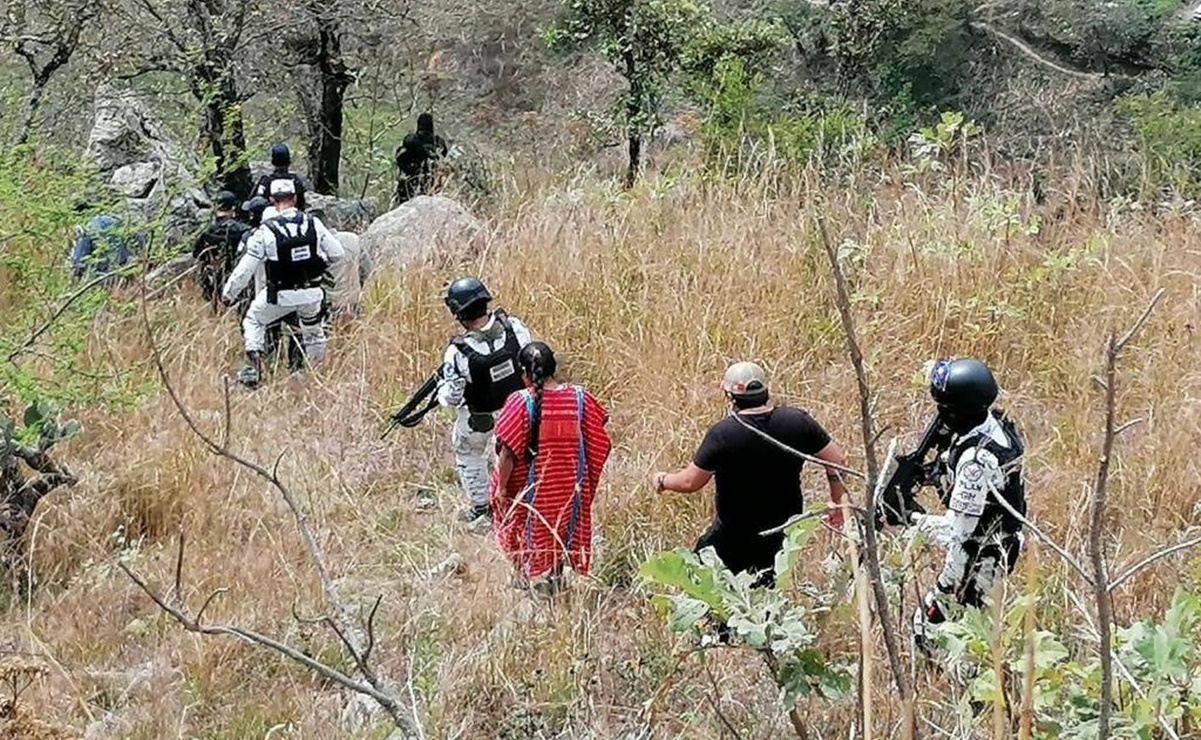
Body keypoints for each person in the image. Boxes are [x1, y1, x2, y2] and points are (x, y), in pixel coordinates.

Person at [653, 362, 849, 588]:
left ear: (730, 396)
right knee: (767, 593)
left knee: (704, 584)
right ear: (766, 391)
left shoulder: (723, 434)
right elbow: (838, 460)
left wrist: (662, 480)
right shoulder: (797, 422)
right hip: (783, 532)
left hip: (734, 535)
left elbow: (690, 482)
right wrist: (837, 501)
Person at [898, 358, 1027, 658]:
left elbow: (959, 534)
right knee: (973, 635)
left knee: (937, 634)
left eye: (945, 407)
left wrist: (910, 519)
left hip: (978, 561)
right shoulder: (995, 426)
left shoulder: (976, 461)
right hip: (996, 549)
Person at [491, 342, 612, 592]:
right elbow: (599, 440)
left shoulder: (519, 402)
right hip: (568, 486)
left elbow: (508, 454)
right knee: (562, 525)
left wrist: (501, 488)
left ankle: (521, 576)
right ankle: (555, 576)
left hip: (531, 488)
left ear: (523, 373)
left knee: (521, 526)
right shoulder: (580, 398)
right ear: (554, 368)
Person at [221, 179, 343, 387]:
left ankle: (254, 367)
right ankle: (318, 376)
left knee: (254, 321)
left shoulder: (265, 231)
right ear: (295, 198)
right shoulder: (313, 223)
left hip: (280, 294)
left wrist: (228, 294)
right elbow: (337, 254)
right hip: (312, 293)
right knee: (313, 331)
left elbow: (245, 270)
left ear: (271, 200)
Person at [437, 277, 533, 524]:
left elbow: (451, 398)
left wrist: (441, 390)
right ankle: (525, 498)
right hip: (519, 409)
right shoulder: (514, 328)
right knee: (525, 453)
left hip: (481, 416)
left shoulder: (457, 352)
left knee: (468, 453)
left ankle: (481, 508)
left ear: (458, 314)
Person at [193, 191, 250, 303]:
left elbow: (197, 254)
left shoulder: (207, 232)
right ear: (233, 208)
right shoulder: (243, 230)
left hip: (212, 283)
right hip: (235, 282)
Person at [394, 113, 448, 206]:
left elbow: (399, 158)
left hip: (409, 185)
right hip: (430, 185)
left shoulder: (411, 140)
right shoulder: (438, 143)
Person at [70, 209, 138, 280]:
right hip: (125, 274)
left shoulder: (91, 226)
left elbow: (79, 261)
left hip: (100, 277)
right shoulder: (126, 225)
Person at [252, 143, 307, 211]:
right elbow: (301, 204)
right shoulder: (296, 181)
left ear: (273, 162)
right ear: (289, 161)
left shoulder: (266, 182)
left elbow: (256, 202)